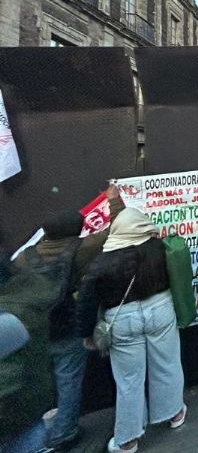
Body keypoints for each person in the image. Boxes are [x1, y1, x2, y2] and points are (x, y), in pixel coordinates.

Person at [10, 186, 125, 452]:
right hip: (69, 327)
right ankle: (64, 432)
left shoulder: (25, 258)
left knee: (35, 383)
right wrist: (113, 199)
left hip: (33, 331)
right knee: (69, 380)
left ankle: (38, 433)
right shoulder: (82, 249)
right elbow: (116, 228)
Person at [77, 208, 186, 453]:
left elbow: (86, 301)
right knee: (167, 363)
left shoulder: (100, 262)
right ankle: (175, 413)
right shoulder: (159, 248)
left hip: (122, 318)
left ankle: (127, 439)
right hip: (160, 309)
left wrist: (87, 333)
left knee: (128, 381)